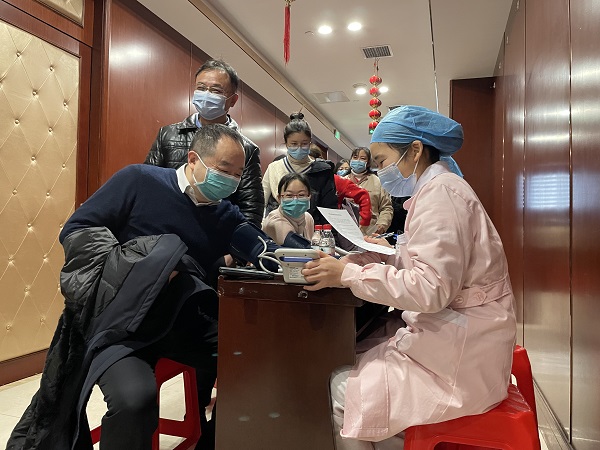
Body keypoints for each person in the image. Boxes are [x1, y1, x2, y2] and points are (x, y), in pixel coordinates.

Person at [7, 125, 279, 450]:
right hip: (123, 326)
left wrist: (308, 258)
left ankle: (213, 442)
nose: (230, 181)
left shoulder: (224, 215)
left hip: (183, 323)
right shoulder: (139, 181)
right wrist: (140, 268)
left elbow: (266, 250)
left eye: (237, 174)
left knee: (254, 361)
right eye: (224, 170)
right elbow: (78, 228)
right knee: (134, 401)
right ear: (193, 159)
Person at [302, 105, 517, 450]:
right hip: (464, 335)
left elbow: (431, 288)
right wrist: (387, 253)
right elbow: (433, 263)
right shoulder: (439, 189)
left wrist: (348, 274)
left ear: (415, 150)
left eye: (382, 161)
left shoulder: (441, 195)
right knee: (358, 354)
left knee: (342, 388)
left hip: (463, 356)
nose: (381, 171)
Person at [144, 58, 264, 227]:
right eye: (201, 88)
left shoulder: (246, 149)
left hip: (215, 231)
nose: (206, 94)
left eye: (216, 90)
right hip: (167, 226)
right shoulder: (168, 134)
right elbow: (149, 183)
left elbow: (251, 209)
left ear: (233, 100)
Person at [262, 112, 337, 225]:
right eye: (294, 144)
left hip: (310, 227)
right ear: (286, 144)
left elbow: (329, 208)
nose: (299, 148)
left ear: (310, 143)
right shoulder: (274, 167)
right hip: (276, 225)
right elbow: (261, 200)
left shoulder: (321, 171)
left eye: (304, 144)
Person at [346, 147, 393, 235]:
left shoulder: (377, 182)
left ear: (368, 163)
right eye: (355, 157)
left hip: (370, 232)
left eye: (362, 158)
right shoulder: (343, 181)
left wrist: (382, 224)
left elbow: (386, 207)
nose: (358, 160)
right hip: (346, 232)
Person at [262, 172, 314, 245]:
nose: (295, 200)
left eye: (301, 195)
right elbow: (297, 246)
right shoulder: (274, 220)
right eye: (289, 195)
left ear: (309, 196)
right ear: (279, 198)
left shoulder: (308, 218)